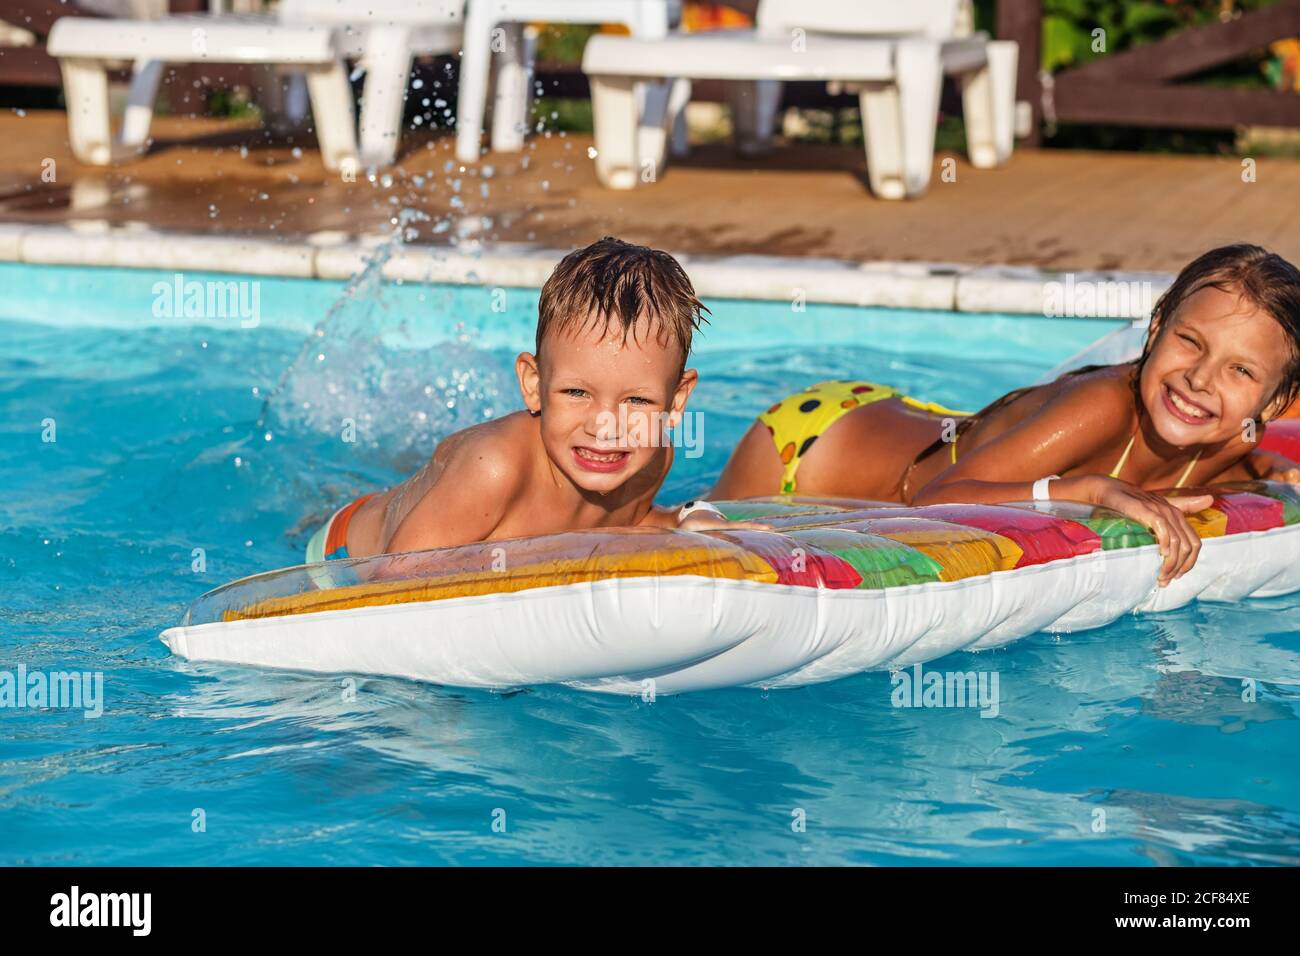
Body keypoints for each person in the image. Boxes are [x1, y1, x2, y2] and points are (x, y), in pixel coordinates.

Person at [712, 244, 1300, 586]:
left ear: (1274, 405)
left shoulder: (1230, 440)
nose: (1201, 378)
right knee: (702, 540)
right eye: (1190, 341)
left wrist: (1267, 469)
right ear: (1155, 328)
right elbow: (938, 499)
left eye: (1240, 371)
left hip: (930, 421)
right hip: (813, 443)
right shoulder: (1100, 405)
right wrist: (1097, 490)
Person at [307, 237, 746, 565]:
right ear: (533, 383)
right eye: (577, 392)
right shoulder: (495, 466)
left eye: (637, 401)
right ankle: (323, 504)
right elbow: (396, 579)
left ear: (675, 401)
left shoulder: (651, 456)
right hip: (345, 556)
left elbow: (629, 526)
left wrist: (694, 518)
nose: (606, 426)